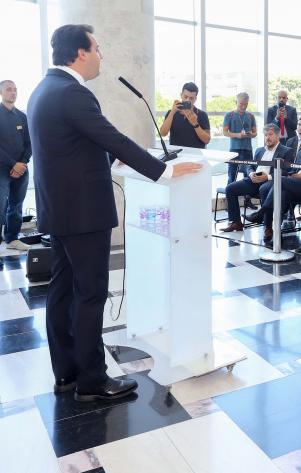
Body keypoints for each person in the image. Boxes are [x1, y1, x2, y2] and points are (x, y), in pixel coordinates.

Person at [28, 24, 202, 402]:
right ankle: (93, 381)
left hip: (60, 211)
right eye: (97, 47)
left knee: (61, 293)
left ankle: (67, 374)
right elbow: (113, 138)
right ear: (80, 53)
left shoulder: (44, 89)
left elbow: (74, 145)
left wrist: (114, 155)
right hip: (83, 214)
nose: (102, 54)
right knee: (90, 295)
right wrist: (166, 170)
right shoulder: (73, 93)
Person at [244, 126, 301, 241]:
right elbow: (294, 170)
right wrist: (292, 174)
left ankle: (261, 212)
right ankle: (276, 229)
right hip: (295, 183)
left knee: (280, 179)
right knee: (281, 193)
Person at [0, 79, 32, 256]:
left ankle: (12, 239)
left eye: (15, 90)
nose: (13, 93)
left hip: (21, 168)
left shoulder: (22, 117)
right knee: (0, 205)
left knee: (16, 205)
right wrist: (13, 164)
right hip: (1, 168)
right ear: (0, 92)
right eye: (9, 90)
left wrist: (22, 164)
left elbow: (29, 142)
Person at [219, 124, 295, 233]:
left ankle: (268, 227)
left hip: (271, 181)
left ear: (278, 135)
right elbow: (251, 166)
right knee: (230, 188)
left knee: (264, 189)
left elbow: (288, 171)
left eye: (270, 134)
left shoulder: (286, 151)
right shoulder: (259, 150)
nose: (267, 138)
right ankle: (236, 222)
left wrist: (268, 177)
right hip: (254, 180)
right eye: (265, 135)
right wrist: (251, 174)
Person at [160, 82, 211, 149]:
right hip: (176, 153)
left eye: (191, 98)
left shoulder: (202, 115)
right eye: (185, 97)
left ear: (195, 99)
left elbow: (206, 140)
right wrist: (172, 112)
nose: (188, 100)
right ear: (181, 95)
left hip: (196, 154)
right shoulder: (172, 113)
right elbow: (163, 133)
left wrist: (195, 123)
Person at [222, 92, 257, 184]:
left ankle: (247, 198)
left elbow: (255, 133)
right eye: (241, 104)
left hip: (248, 149)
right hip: (234, 149)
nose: (243, 107)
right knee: (232, 176)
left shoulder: (250, 116)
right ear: (236, 102)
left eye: (246, 104)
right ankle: (230, 196)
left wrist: (251, 135)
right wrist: (237, 135)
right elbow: (225, 132)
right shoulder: (229, 115)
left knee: (249, 176)